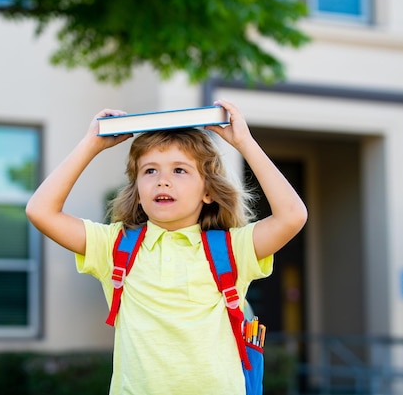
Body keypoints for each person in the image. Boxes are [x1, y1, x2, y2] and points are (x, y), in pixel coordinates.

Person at [26, 99, 307, 395]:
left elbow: (292, 215)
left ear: (209, 190)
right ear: (136, 193)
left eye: (179, 170)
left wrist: (245, 143)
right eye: (149, 171)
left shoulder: (231, 249)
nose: (162, 181)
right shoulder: (115, 246)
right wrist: (90, 145)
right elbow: (40, 211)